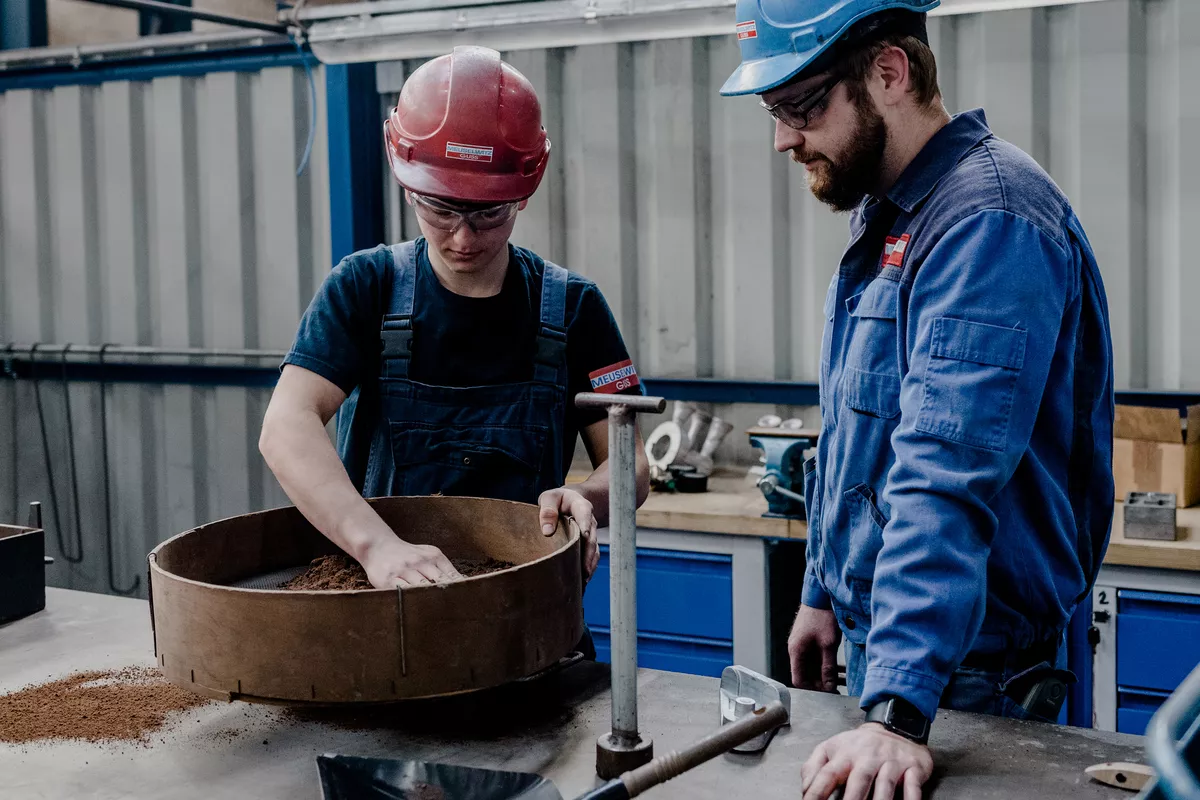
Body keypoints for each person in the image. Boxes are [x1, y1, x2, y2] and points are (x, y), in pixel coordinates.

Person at [721, 1, 1115, 798]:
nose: (784, 139)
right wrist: (822, 591)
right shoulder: (893, 213)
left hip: (967, 673)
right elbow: (856, 434)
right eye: (773, 112)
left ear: (889, 73)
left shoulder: (989, 222)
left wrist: (898, 711)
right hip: (902, 650)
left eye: (801, 107)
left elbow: (945, 470)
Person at [260, 46, 649, 608]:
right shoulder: (365, 288)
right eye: (440, 209)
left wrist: (586, 494)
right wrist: (376, 546)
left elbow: (632, 464)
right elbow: (286, 426)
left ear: (524, 190)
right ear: (406, 182)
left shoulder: (573, 308)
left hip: (526, 612)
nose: (463, 238)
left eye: (489, 212)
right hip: (384, 605)